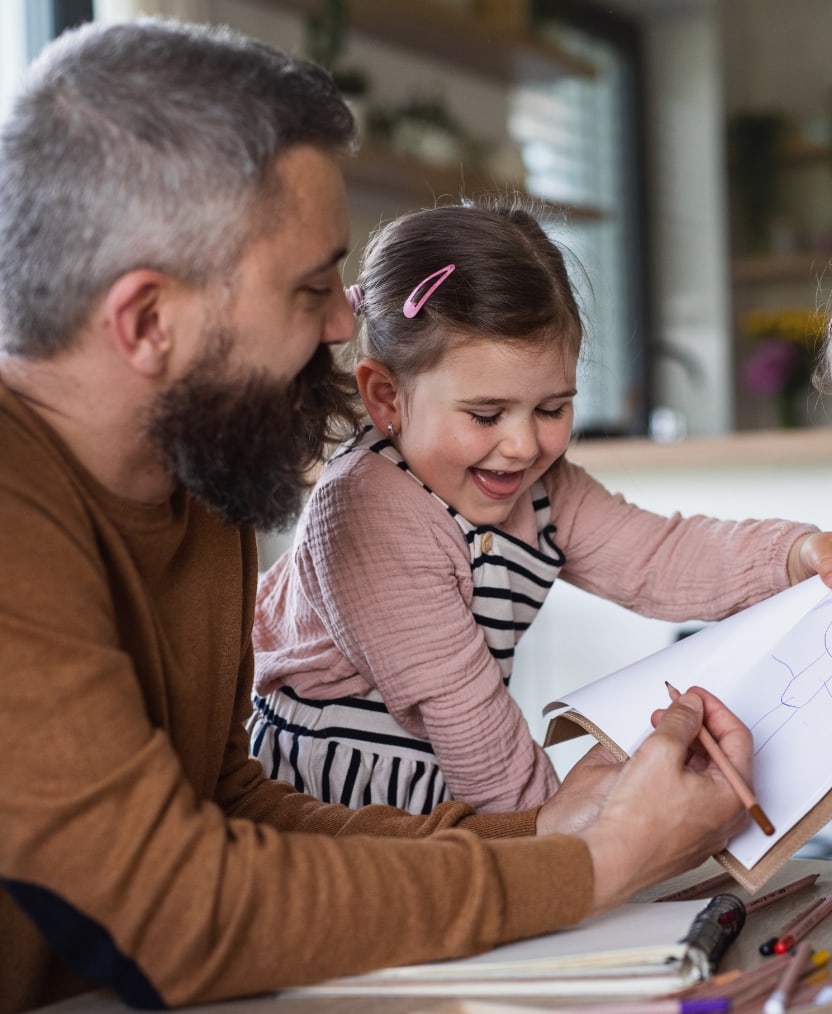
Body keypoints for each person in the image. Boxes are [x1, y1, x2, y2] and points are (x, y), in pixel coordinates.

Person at [0, 16, 770, 1014]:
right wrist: (597, 862)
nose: (339, 321)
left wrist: (545, 835)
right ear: (148, 322)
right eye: (313, 285)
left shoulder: (201, 480)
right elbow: (181, 909)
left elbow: (226, 811)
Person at [250, 198, 832, 815]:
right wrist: (573, 843)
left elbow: (659, 556)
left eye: (552, 409)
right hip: (338, 801)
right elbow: (466, 717)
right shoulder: (367, 510)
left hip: (450, 787)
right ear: (387, 397)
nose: (524, 446)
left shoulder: (544, 484)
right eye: (485, 414)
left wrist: (794, 555)